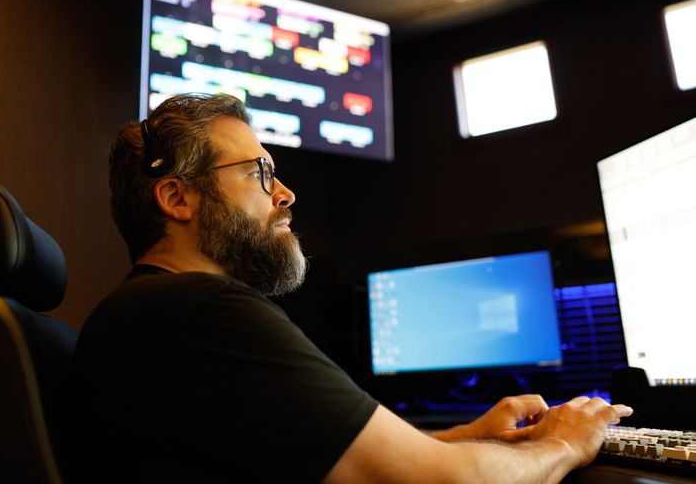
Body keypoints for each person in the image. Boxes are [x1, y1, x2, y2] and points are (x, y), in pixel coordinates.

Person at [73, 93, 632, 483]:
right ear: (177, 199)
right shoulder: (199, 312)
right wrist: (564, 442)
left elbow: (333, 457)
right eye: (260, 173)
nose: (286, 193)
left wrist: (467, 435)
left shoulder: (148, 314)